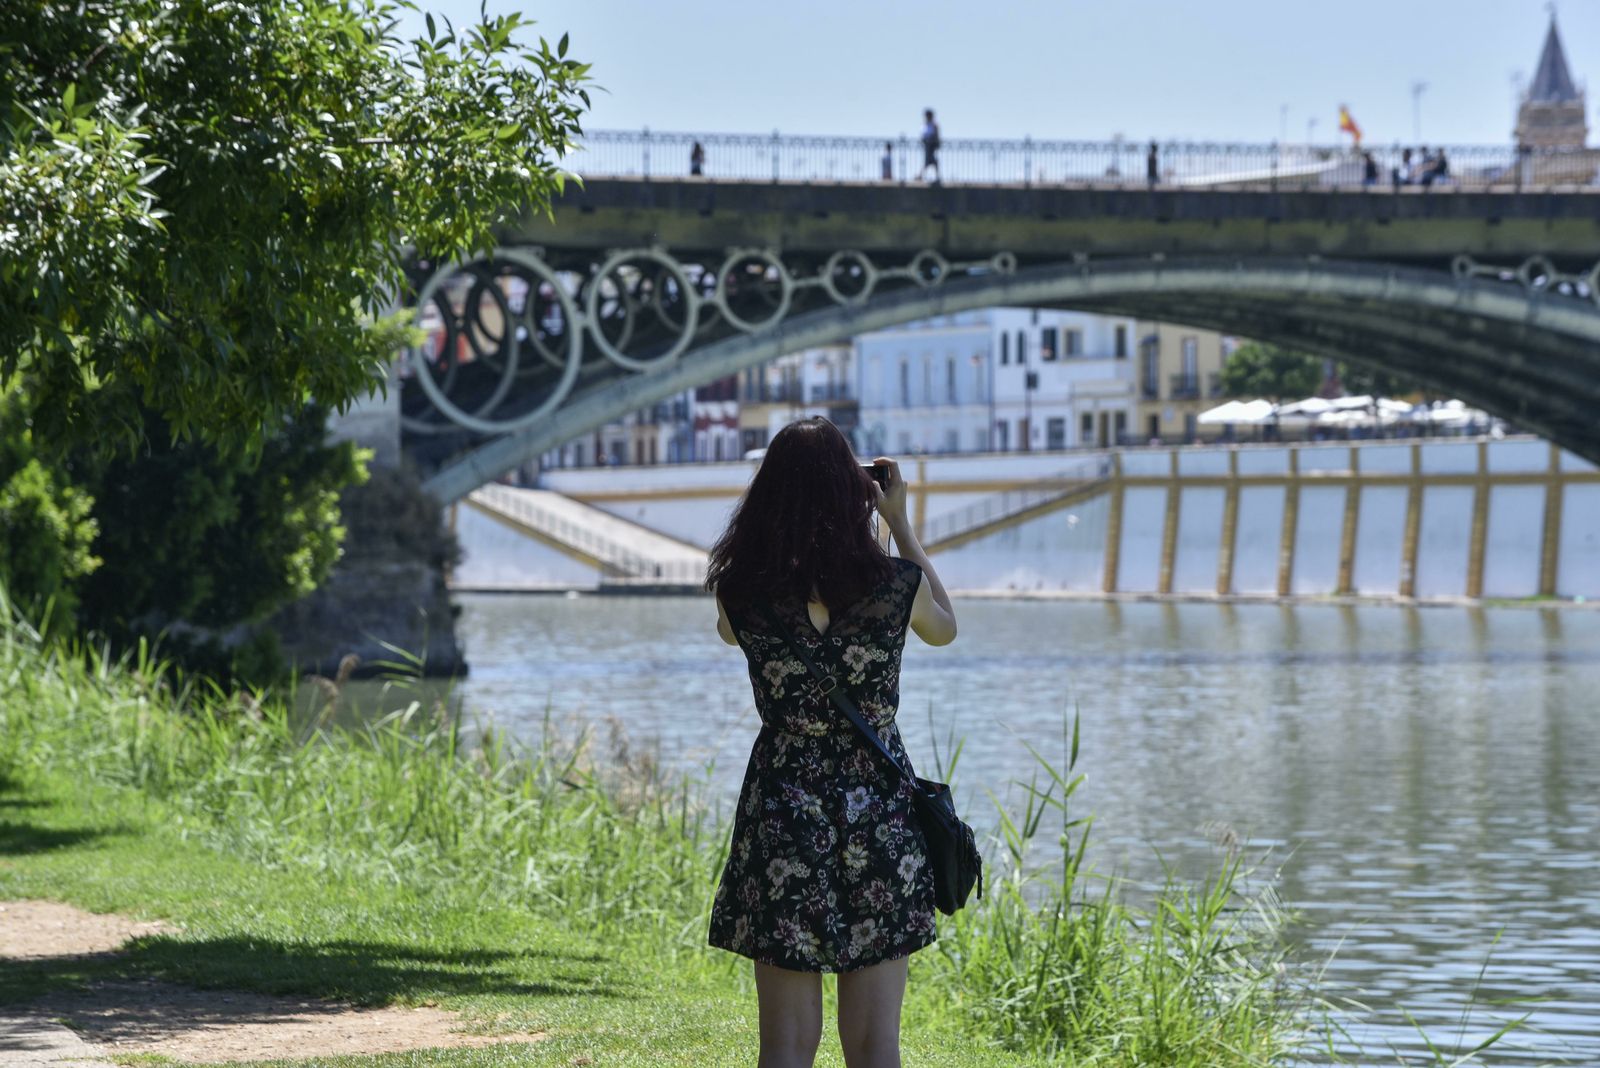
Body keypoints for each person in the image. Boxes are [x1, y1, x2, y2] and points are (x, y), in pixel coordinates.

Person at [705, 417, 958, 1068]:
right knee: (876, 1048)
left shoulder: (742, 594)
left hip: (783, 812)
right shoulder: (893, 590)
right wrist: (898, 522)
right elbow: (946, 627)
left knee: (785, 1048)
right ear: (854, 494)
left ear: (768, 499)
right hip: (878, 812)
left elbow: (731, 635)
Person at [918, 109, 940, 183]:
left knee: (930, 161)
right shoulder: (924, 125)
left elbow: (936, 135)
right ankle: (921, 175)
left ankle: (921, 175)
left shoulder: (934, 125)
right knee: (930, 161)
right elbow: (923, 135)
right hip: (926, 145)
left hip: (931, 145)